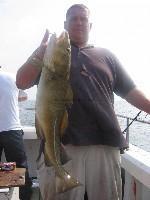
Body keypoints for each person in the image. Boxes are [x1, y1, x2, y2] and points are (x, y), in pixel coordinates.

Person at [16, 4, 150, 200]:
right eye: (73, 18)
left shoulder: (107, 56)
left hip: (105, 143)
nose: (78, 22)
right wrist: (39, 53)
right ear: (65, 23)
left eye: (83, 19)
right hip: (63, 145)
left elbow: (131, 91)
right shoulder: (48, 56)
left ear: (90, 25)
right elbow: (21, 81)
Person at [0, 67, 32, 200]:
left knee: (11, 168)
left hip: (10, 129)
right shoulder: (13, 77)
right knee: (19, 168)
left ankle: (4, 183)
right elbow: (24, 97)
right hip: (11, 130)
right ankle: (22, 196)